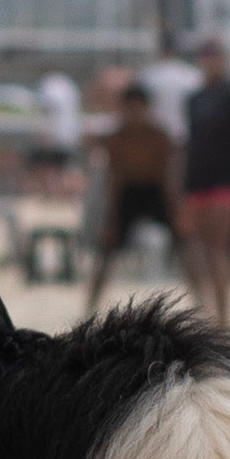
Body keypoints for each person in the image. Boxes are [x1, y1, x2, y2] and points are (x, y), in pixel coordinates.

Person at [176, 37, 230, 325]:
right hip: (197, 183)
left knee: (218, 250)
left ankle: (223, 320)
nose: (210, 59)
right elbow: (191, 145)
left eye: (215, 53)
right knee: (193, 251)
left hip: (229, 183)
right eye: (205, 53)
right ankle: (206, 314)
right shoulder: (194, 98)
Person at [84, 80, 175, 310]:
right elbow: (114, 179)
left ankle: (206, 304)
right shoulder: (117, 138)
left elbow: (167, 177)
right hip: (128, 194)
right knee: (107, 250)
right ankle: (90, 305)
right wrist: (111, 219)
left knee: (185, 245)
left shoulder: (158, 136)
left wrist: (176, 211)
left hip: (155, 191)